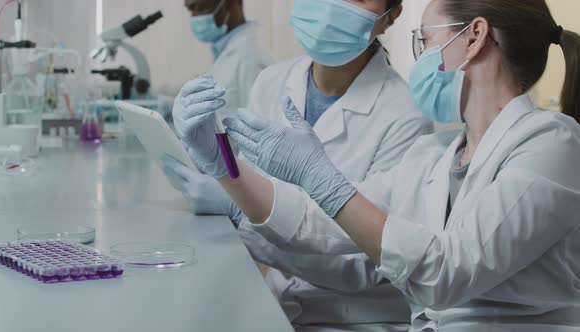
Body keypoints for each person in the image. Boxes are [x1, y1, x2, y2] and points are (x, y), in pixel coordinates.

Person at [174, 0, 580, 331]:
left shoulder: (551, 143)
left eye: (426, 41)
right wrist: (223, 165)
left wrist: (324, 180)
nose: (419, 60)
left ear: (473, 37)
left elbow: (447, 274)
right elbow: (319, 223)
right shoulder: (435, 155)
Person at [166, 0, 434, 331]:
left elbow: (367, 265)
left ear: (390, 17)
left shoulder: (405, 115)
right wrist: (217, 156)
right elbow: (250, 184)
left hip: (352, 318)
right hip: (276, 300)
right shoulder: (272, 81)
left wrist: (240, 213)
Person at [185, 0, 271, 111]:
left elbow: (261, 120)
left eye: (203, 8)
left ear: (234, 3)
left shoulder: (251, 57)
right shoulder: (227, 49)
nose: (196, 17)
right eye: (191, 10)